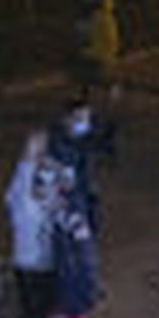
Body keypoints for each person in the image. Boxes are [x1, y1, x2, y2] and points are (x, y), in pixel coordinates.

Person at [4, 131, 62, 318]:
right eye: (38, 184)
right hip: (27, 267)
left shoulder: (48, 201)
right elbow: (20, 182)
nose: (43, 188)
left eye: (45, 184)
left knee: (45, 308)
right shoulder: (21, 204)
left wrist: (51, 165)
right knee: (31, 311)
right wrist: (28, 156)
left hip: (48, 264)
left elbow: (62, 183)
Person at [51, 166, 99, 318]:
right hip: (73, 274)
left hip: (72, 275)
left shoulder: (70, 213)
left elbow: (81, 246)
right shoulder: (72, 211)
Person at [47, 97, 116, 234]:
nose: (84, 122)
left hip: (85, 190)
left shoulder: (85, 136)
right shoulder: (58, 139)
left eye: (86, 117)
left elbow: (102, 151)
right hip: (66, 196)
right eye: (79, 118)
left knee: (90, 226)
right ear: (67, 119)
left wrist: (109, 138)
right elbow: (78, 149)